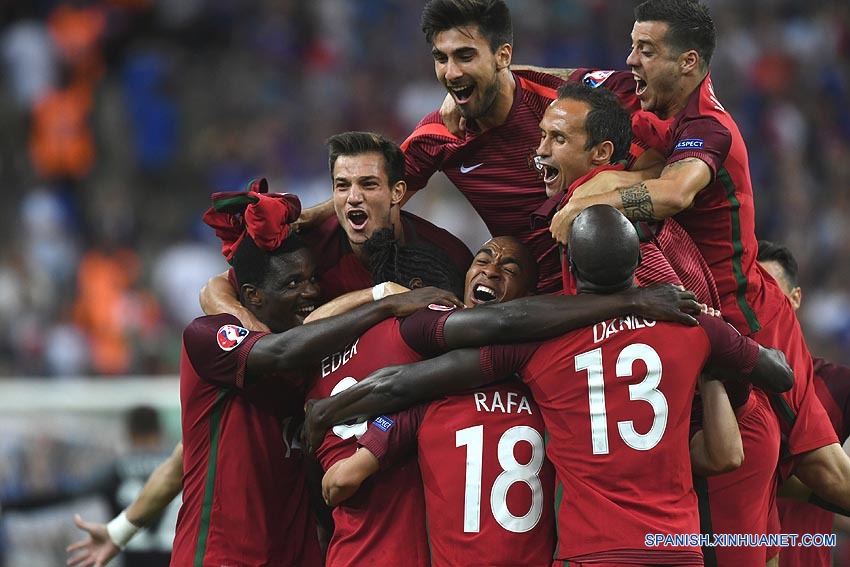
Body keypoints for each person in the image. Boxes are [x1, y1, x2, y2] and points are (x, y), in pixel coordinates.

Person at [305, 205, 793, 566]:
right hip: (675, 548)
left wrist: (327, 410)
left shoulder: (537, 349)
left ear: (570, 272)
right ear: (634, 268)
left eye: (509, 268)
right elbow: (780, 374)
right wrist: (719, 353)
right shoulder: (692, 327)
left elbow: (401, 385)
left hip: (590, 551)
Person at [544, 0, 850, 562]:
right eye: (632, 45)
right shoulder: (633, 85)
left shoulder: (710, 126)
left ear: (688, 63)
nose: (630, 60)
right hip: (697, 319)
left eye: (646, 50)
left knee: (821, 471)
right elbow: (564, 81)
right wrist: (496, 74)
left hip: (750, 320)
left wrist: (589, 202)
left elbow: (676, 192)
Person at [172, 186, 461, 567]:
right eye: (293, 283)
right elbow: (280, 350)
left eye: (311, 279)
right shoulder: (208, 336)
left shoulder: (317, 359)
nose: (310, 292)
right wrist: (385, 302)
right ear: (252, 295)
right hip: (222, 555)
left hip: (298, 553)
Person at [200, 132, 473, 329]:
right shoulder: (309, 245)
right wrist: (251, 330)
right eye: (342, 186)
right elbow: (213, 290)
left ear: (397, 192)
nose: (353, 197)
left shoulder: (445, 254)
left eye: (368, 184)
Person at [758, 240, 850, 567]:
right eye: (752, 295)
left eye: (770, 292)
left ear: (795, 299)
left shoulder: (839, 385)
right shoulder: (721, 385)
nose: (759, 306)